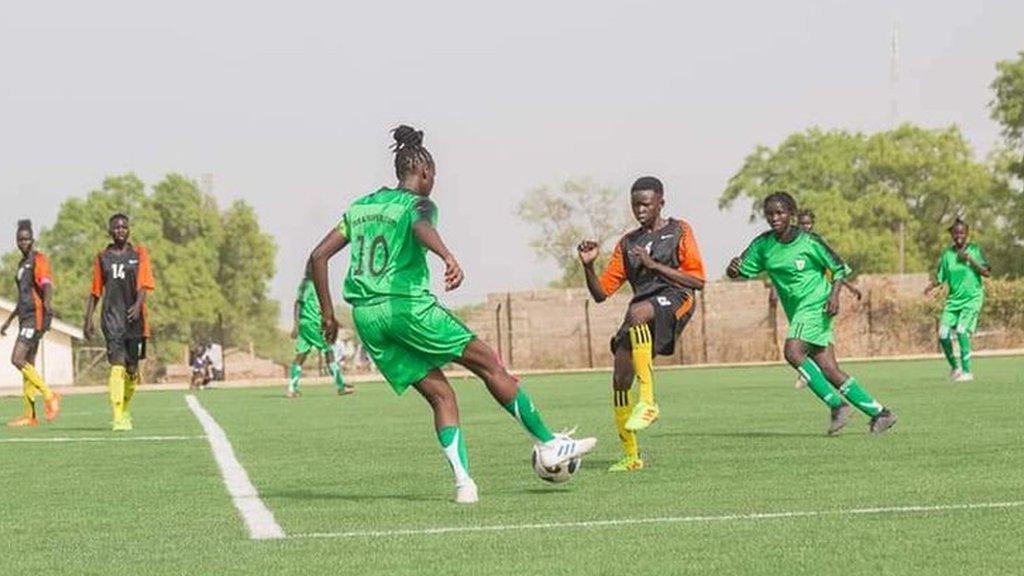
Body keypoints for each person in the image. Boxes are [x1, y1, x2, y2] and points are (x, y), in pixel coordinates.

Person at [308, 124, 595, 504]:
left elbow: (317, 256)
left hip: (366, 318)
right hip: (406, 307)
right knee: (490, 364)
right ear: (425, 173)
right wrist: (447, 255)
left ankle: (465, 484)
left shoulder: (360, 207)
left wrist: (329, 315)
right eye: (434, 178)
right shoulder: (418, 204)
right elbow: (420, 225)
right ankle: (548, 443)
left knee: (441, 394)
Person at [727, 191, 896, 435]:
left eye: (780, 213)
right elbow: (740, 271)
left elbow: (838, 268)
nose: (774, 218)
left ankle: (837, 405)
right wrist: (732, 269)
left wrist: (834, 296)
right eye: (770, 214)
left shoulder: (809, 241)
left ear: (791, 215)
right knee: (829, 370)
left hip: (818, 305)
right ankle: (881, 413)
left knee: (793, 351)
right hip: (798, 312)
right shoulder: (763, 245)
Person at [577, 176, 705, 472]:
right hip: (642, 310)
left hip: (677, 297)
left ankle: (648, 402)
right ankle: (631, 456)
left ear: (661, 202)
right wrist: (587, 265)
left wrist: (653, 265)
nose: (640, 210)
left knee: (637, 313)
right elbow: (600, 294)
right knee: (620, 378)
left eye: (646, 204)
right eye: (635, 205)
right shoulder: (628, 243)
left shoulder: (679, 230)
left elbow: (697, 281)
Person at [83, 214, 156, 431]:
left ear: (129, 230)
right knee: (117, 365)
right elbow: (95, 291)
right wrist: (87, 319)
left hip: (135, 320)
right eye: (116, 227)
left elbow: (144, 284)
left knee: (132, 370)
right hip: (111, 319)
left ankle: (124, 408)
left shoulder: (139, 254)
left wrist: (137, 304)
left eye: (124, 227)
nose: (120, 230)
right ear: (110, 231)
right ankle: (117, 417)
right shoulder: (102, 257)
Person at [791, 209, 861, 390]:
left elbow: (835, 269)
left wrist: (847, 289)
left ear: (812, 224)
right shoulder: (792, 245)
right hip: (803, 302)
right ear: (797, 223)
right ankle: (828, 371)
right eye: (802, 224)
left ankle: (811, 373)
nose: (805, 227)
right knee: (820, 340)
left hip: (821, 301)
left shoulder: (816, 244)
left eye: (808, 223)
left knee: (806, 339)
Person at [1, 219, 61, 426]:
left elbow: (46, 285)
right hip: (24, 316)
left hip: (35, 317)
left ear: (33, 240)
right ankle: (30, 415)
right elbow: (23, 296)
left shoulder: (38, 259)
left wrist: (47, 308)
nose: (23, 242)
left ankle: (49, 395)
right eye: (20, 239)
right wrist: (8, 321)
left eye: (27, 239)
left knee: (17, 359)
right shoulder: (21, 265)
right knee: (28, 366)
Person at [924, 217, 990, 382]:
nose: (958, 235)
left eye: (962, 232)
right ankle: (955, 368)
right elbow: (941, 277)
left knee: (961, 331)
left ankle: (968, 372)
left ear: (966, 234)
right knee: (943, 335)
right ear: (952, 235)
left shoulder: (974, 250)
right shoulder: (947, 255)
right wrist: (930, 287)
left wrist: (970, 259)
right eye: (955, 232)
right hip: (953, 301)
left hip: (972, 298)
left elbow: (986, 272)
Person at [287, 264, 355, 397]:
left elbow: (305, 304)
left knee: (301, 355)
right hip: (313, 324)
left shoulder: (306, 285)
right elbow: (298, 303)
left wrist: (297, 324)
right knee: (328, 351)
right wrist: (295, 325)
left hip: (305, 324)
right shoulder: (310, 285)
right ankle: (340, 386)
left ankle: (291, 388)